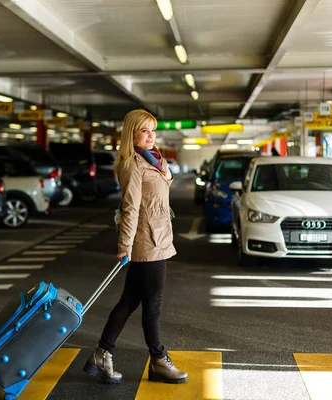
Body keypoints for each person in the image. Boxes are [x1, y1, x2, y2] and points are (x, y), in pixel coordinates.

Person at [83, 109, 188, 385]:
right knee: (152, 305)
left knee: (129, 301)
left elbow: (158, 190)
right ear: (132, 134)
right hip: (147, 243)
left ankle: (102, 352)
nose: (151, 136)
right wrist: (124, 247)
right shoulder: (132, 164)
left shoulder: (152, 160)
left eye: (153, 131)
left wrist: (165, 173)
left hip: (159, 238)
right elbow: (130, 209)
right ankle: (158, 360)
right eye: (145, 131)